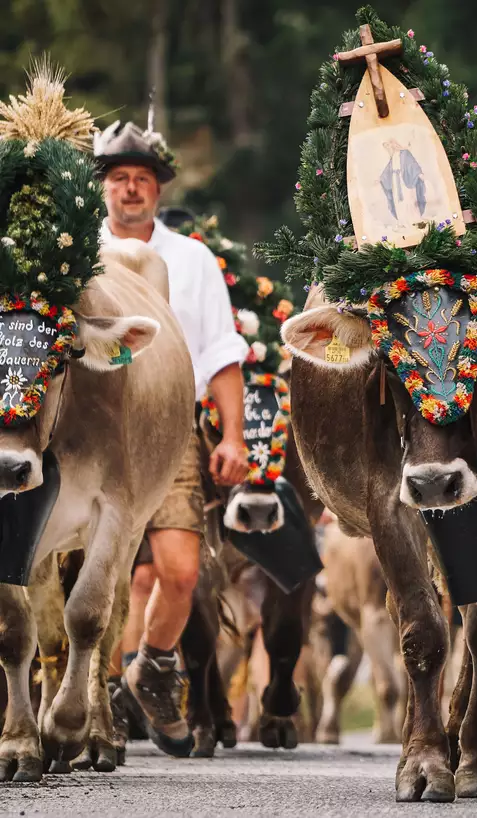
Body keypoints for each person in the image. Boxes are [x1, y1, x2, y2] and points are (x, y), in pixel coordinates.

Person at [94, 120, 250, 757]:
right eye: (120, 179)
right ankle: (92, 695)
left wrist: (234, 436)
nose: (132, 190)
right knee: (90, 573)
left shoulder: (191, 259)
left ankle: (153, 668)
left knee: (181, 572)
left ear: (158, 190)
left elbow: (220, 353)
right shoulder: (75, 254)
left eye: (143, 179)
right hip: (90, 435)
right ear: (102, 188)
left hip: (170, 427)